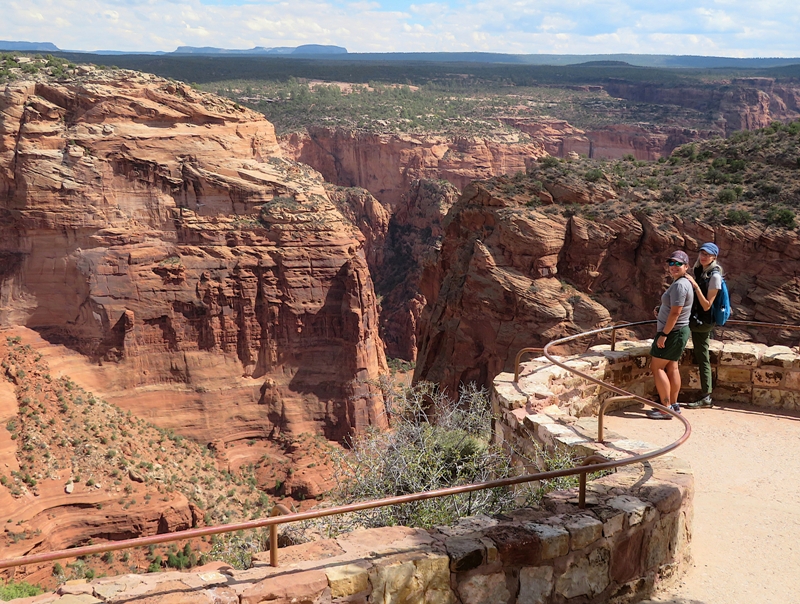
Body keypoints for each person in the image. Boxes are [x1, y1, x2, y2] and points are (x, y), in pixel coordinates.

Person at [647, 250, 694, 420]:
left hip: (672, 332)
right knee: (672, 367)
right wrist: (661, 310)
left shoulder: (680, 285)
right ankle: (674, 405)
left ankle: (665, 409)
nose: (674, 267)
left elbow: (675, 313)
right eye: (671, 263)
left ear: (686, 266)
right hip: (679, 331)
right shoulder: (683, 283)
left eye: (678, 264)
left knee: (657, 367)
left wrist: (664, 334)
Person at [683, 242, 722, 408]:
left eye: (707, 254)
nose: (704, 256)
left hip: (703, 322)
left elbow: (707, 305)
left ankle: (706, 396)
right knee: (701, 355)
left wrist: (695, 285)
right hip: (696, 318)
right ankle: (705, 396)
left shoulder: (714, 276)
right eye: (702, 253)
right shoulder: (699, 271)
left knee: (699, 355)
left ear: (714, 257)